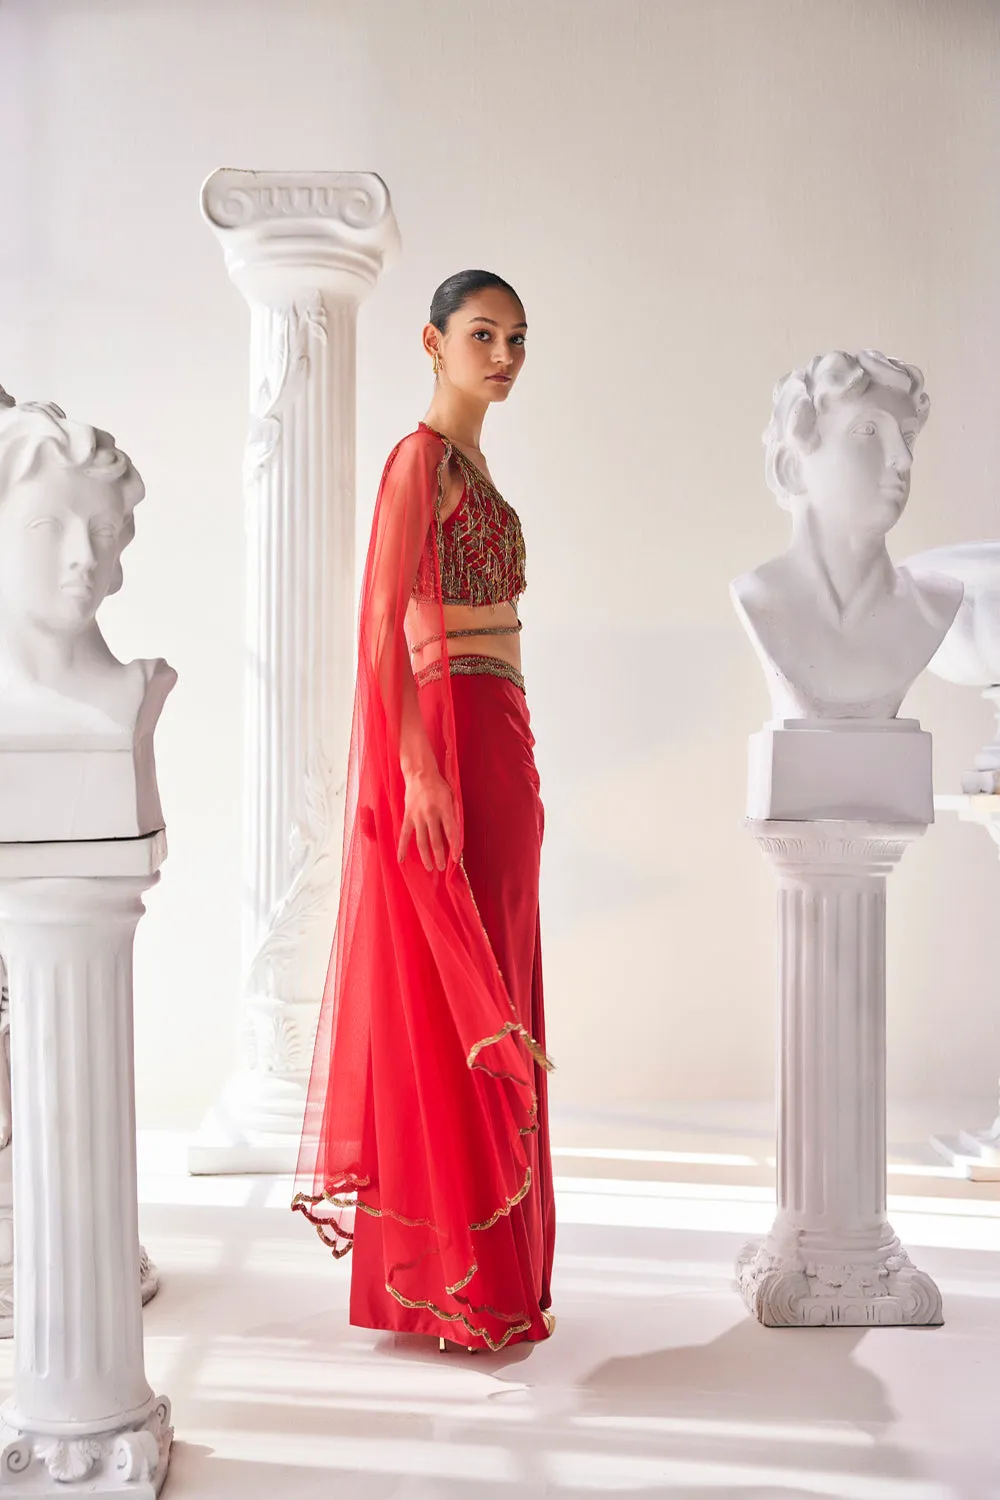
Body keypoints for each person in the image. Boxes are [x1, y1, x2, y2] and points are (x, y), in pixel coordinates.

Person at [293, 270, 556, 1352]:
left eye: (517, 339)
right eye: (482, 334)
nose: (502, 355)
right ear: (432, 342)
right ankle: (455, 1283)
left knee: (500, 978)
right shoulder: (418, 461)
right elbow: (376, 628)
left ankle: (489, 1279)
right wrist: (418, 768)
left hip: (501, 735)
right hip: (448, 730)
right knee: (454, 994)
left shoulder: (477, 470)